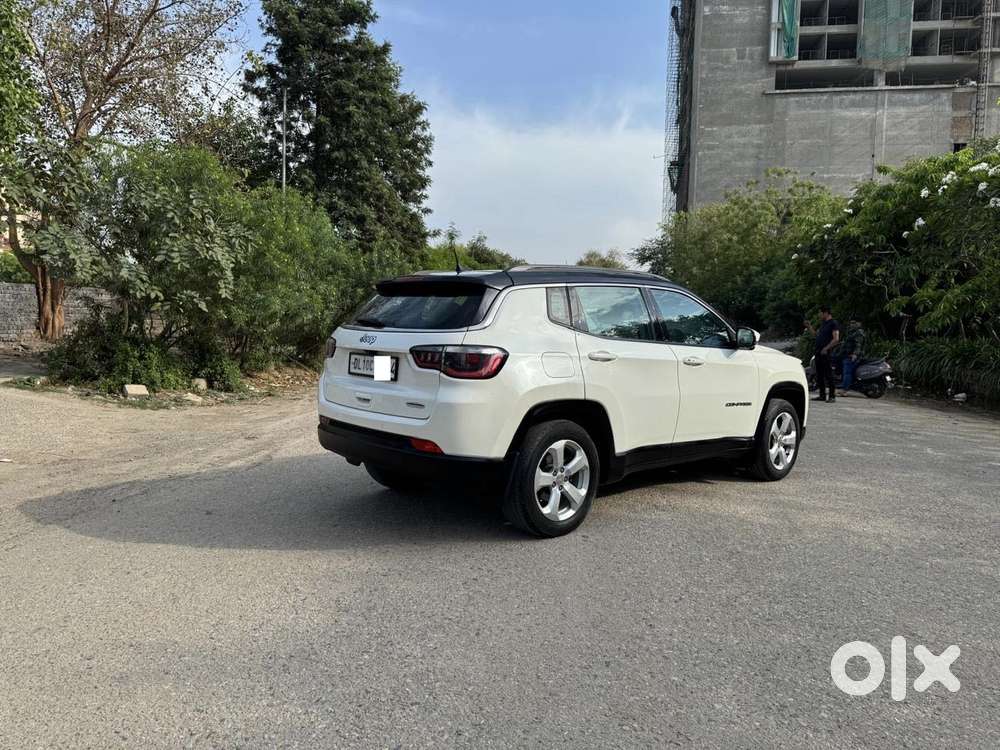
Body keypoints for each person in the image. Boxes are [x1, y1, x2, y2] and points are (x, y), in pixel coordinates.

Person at [805, 306, 840, 403]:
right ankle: (822, 395)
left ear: (826, 313)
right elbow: (816, 335)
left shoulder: (833, 323)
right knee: (819, 374)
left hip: (826, 352)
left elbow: (836, 339)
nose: (819, 315)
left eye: (820, 313)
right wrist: (809, 327)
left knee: (828, 374)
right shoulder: (823, 324)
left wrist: (826, 348)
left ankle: (832, 396)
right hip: (818, 352)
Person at [839, 317, 866, 395]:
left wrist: (855, 354)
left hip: (851, 356)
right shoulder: (852, 332)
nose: (852, 324)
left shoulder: (859, 333)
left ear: (859, 323)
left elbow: (858, 345)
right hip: (847, 355)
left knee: (847, 372)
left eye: (854, 323)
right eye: (851, 323)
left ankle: (844, 390)